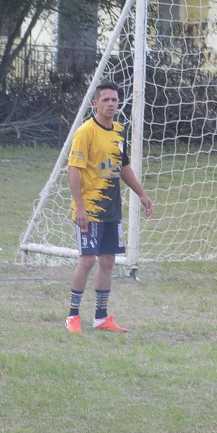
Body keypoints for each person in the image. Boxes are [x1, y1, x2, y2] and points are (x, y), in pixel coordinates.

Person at [65, 81, 154, 333]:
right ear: (95, 103)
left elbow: (123, 167)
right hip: (89, 209)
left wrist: (142, 194)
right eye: (105, 100)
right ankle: (73, 316)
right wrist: (80, 206)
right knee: (87, 260)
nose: (111, 104)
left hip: (111, 210)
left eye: (114, 100)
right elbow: (73, 170)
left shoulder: (119, 131)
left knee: (107, 261)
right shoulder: (85, 132)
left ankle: (101, 317)